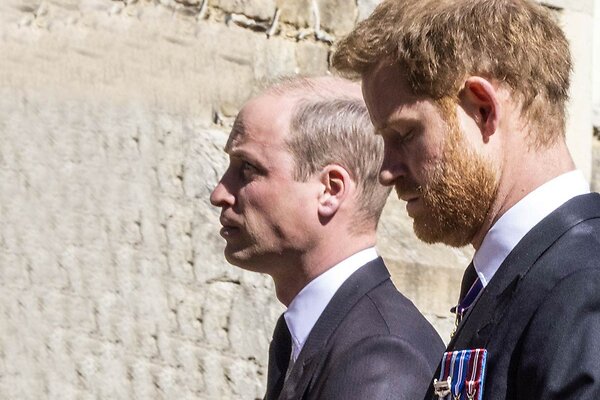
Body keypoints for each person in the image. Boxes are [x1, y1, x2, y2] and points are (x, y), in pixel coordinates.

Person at [332, 0, 600, 399]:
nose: (386, 171)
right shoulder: (532, 272)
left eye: (404, 134)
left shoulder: (581, 285)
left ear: (483, 109)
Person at [210, 76, 444, 400]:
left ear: (330, 190)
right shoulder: (314, 333)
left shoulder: (380, 359)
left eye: (248, 169)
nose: (219, 193)